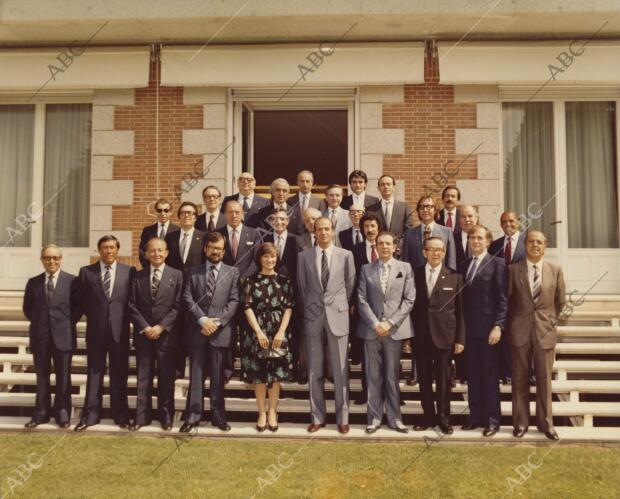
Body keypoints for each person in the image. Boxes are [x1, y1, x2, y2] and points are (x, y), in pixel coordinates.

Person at [297, 217, 356, 434]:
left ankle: (343, 418)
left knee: (341, 371)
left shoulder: (346, 255)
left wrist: (338, 305)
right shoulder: (304, 257)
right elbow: (302, 288)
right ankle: (317, 417)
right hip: (313, 319)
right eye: (319, 229)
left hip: (338, 318)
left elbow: (350, 285)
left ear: (333, 231)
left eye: (327, 229)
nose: (323, 233)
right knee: (315, 370)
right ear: (314, 232)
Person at [507, 230, 565, 441]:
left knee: (544, 380)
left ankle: (546, 424)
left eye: (539, 242)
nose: (535, 245)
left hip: (544, 332)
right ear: (525, 244)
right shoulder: (513, 270)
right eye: (531, 241)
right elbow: (508, 301)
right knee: (519, 380)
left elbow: (560, 303)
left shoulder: (555, 270)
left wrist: (549, 322)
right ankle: (520, 423)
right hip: (519, 331)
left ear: (545, 245)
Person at [74, 235, 135, 431]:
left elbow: (132, 302)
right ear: (99, 250)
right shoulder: (86, 272)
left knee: (119, 373)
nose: (108, 251)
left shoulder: (129, 272)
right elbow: (80, 301)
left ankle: (121, 416)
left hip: (120, 332)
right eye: (104, 248)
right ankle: (90, 416)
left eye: (112, 247)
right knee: (94, 372)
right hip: (96, 331)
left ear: (118, 249)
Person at [180, 232, 240, 433]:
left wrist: (218, 322)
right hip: (197, 330)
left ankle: (218, 416)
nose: (216, 252)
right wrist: (202, 320)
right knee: (195, 377)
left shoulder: (232, 272)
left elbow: (234, 301)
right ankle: (193, 416)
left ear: (224, 250)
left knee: (217, 377)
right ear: (205, 248)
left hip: (219, 333)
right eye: (212, 248)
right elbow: (187, 298)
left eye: (219, 248)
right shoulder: (192, 271)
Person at [357, 232, 415, 434]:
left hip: (394, 330)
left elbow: (409, 299)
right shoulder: (366, 269)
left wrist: (389, 322)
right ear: (376, 246)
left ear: (395, 246)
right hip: (371, 331)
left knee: (392, 376)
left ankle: (395, 418)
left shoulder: (404, 268)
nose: (384, 247)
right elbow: (361, 299)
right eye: (380, 243)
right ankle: (373, 418)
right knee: (373, 376)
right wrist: (375, 323)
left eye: (388, 244)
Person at [128, 237, 184, 431]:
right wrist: (145, 327)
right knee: (143, 378)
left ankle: (166, 417)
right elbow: (131, 305)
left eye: (160, 250)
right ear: (146, 253)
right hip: (144, 335)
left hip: (166, 336)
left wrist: (161, 327)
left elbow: (178, 306)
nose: (156, 254)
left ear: (167, 253)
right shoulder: (137, 276)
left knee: (166, 377)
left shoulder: (177, 275)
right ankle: (141, 418)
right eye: (152, 251)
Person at [23, 244, 79, 429]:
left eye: (55, 258)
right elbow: (28, 309)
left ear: (61, 259)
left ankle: (62, 413)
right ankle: (41, 413)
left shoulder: (72, 281)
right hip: (40, 336)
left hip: (63, 336)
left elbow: (77, 309)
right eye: (47, 258)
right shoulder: (33, 282)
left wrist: (62, 323)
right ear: (42, 260)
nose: (51, 261)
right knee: (42, 377)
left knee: (64, 377)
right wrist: (43, 323)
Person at [412, 237, 465, 435]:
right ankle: (427, 417)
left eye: (439, 250)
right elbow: (411, 308)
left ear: (444, 253)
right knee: (424, 379)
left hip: (445, 337)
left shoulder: (454, 276)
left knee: (444, 381)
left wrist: (460, 339)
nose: (435, 253)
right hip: (421, 336)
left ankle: (444, 419)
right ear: (424, 252)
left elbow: (461, 311)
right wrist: (409, 337)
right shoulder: (414, 274)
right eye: (431, 249)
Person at [459, 225, 507, 437]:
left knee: (489, 376)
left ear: (488, 241)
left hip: (489, 332)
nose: (475, 241)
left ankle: (493, 420)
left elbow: (503, 300)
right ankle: (475, 417)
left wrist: (498, 325)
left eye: (480, 238)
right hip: (469, 332)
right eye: (472, 238)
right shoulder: (464, 265)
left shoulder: (498, 264)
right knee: (472, 376)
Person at [241, 243, 295, 432]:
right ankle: (261, 412)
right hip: (257, 331)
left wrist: (281, 332)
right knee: (259, 375)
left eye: (273, 256)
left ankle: (272, 411)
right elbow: (247, 307)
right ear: (260, 258)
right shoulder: (250, 280)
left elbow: (289, 307)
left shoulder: (284, 280)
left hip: (279, 330)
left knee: (275, 374)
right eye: (266, 256)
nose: (270, 260)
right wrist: (258, 332)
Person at [489, 210, 526, 385]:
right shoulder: (495, 246)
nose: (508, 225)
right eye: (504, 222)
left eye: (511, 221)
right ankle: (505, 373)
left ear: (518, 221)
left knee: (520, 336)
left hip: (521, 298)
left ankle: (524, 372)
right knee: (502, 336)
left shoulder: (528, 242)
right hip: (501, 296)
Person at [401, 195, 456, 271]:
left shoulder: (447, 232)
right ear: (418, 211)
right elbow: (406, 262)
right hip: (417, 279)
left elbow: (451, 261)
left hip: (441, 279)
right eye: (422, 207)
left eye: (429, 206)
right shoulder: (409, 234)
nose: (425, 210)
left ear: (435, 210)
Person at [216, 200, 259, 279]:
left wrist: (245, 277)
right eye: (230, 212)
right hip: (223, 280)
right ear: (224, 214)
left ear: (242, 214)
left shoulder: (254, 234)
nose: (234, 215)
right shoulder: (217, 234)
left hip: (247, 281)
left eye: (237, 212)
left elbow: (257, 259)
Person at [367, 174, 414, 242]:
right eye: (382, 184)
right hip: (379, 248)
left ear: (394, 187)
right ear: (378, 188)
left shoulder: (404, 207)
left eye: (388, 184)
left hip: (399, 249)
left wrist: (399, 245)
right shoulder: (371, 210)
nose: (386, 187)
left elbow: (409, 230)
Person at [165, 201, 207, 272]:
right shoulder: (170, 237)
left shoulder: (204, 237)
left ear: (195, 218)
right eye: (183, 213)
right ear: (179, 217)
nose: (186, 215)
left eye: (190, 213)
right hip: (174, 280)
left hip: (196, 279)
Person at [139, 198, 179, 268]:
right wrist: (149, 268)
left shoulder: (178, 230)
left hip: (172, 272)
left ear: (170, 212)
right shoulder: (147, 231)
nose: (163, 213)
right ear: (155, 212)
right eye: (159, 210)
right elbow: (142, 252)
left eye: (166, 210)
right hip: (152, 271)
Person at [289, 170, 323, 234]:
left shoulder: (320, 201)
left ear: (312, 183)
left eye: (307, 181)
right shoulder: (289, 201)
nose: (305, 184)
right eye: (302, 181)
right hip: (294, 237)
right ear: (297, 182)